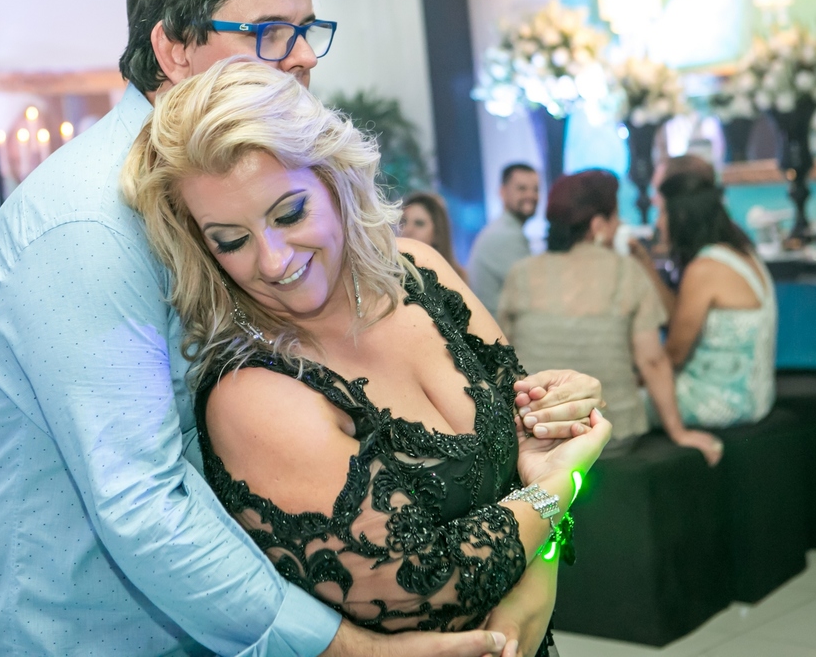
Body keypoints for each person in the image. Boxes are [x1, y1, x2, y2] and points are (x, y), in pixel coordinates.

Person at [0, 0, 603, 657]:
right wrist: (347, 649)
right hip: (106, 633)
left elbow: (526, 463)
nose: (301, 58)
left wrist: (539, 563)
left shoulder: (384, 258)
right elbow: (141, 502)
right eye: (269, 32)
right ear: (173, 48)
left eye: (306, 30)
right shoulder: (91, 223)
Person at [124, 59, 611, 656]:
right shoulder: (251, 396)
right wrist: (557, 489)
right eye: (232, 240)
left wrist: (537, 579)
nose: (274, 260)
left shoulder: (421, 271)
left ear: (335, 180)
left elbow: (539, 451)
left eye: (289, 213)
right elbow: (429, 585)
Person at [498, 171, 722, 465]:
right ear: (598, 225)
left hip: (537, 438)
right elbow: (652, 361)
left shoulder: (520, 273)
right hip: (611, 435)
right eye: (616, 217)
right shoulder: (627, 271)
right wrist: (679, 432)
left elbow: (502, 356)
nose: (620, 225)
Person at [658, 170, 777, 428]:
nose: (659, 223)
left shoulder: (704, 268)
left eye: (663, 213)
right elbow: (680, 316)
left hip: (720, 403)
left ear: (682, 216)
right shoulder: (742, 252)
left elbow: (674, 355)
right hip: (757, 399)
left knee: (618, 406)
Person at [468, 164, 539, 320]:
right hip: (499, 330)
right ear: (502, 192)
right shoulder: (505, 235)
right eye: (522, 188)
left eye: (535, 189)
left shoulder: (504, 230)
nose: (531, 195)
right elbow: (534, 293)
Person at [399, 190, 468, 281]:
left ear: (437, 234)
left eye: (419, 223)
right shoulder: (390, 277)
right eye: (403, 222)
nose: (407, 230)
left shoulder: (458, 278)